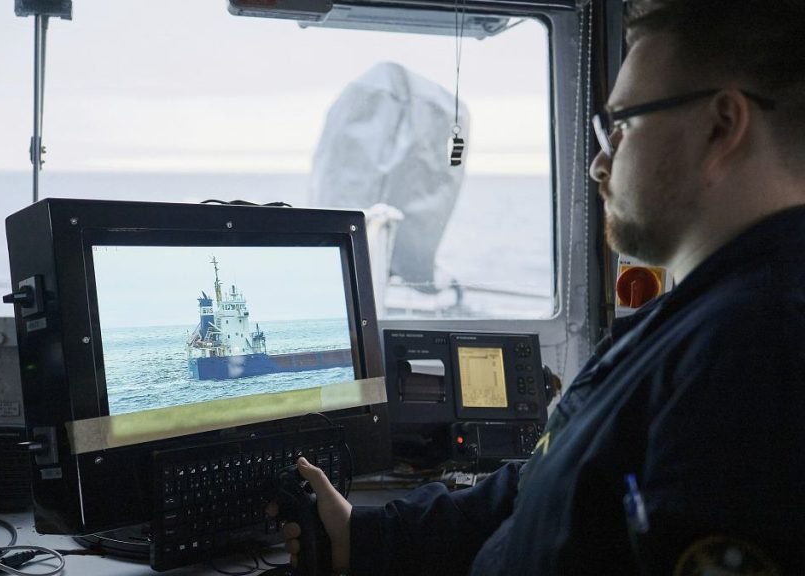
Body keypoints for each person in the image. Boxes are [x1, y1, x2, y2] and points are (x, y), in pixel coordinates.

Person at [274, 0, 805, 573]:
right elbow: (551, 483)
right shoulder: (694, 321)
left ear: (721, 126)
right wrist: (368, 537)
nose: (601, 163)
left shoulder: (761, 352)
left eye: (621, 124)